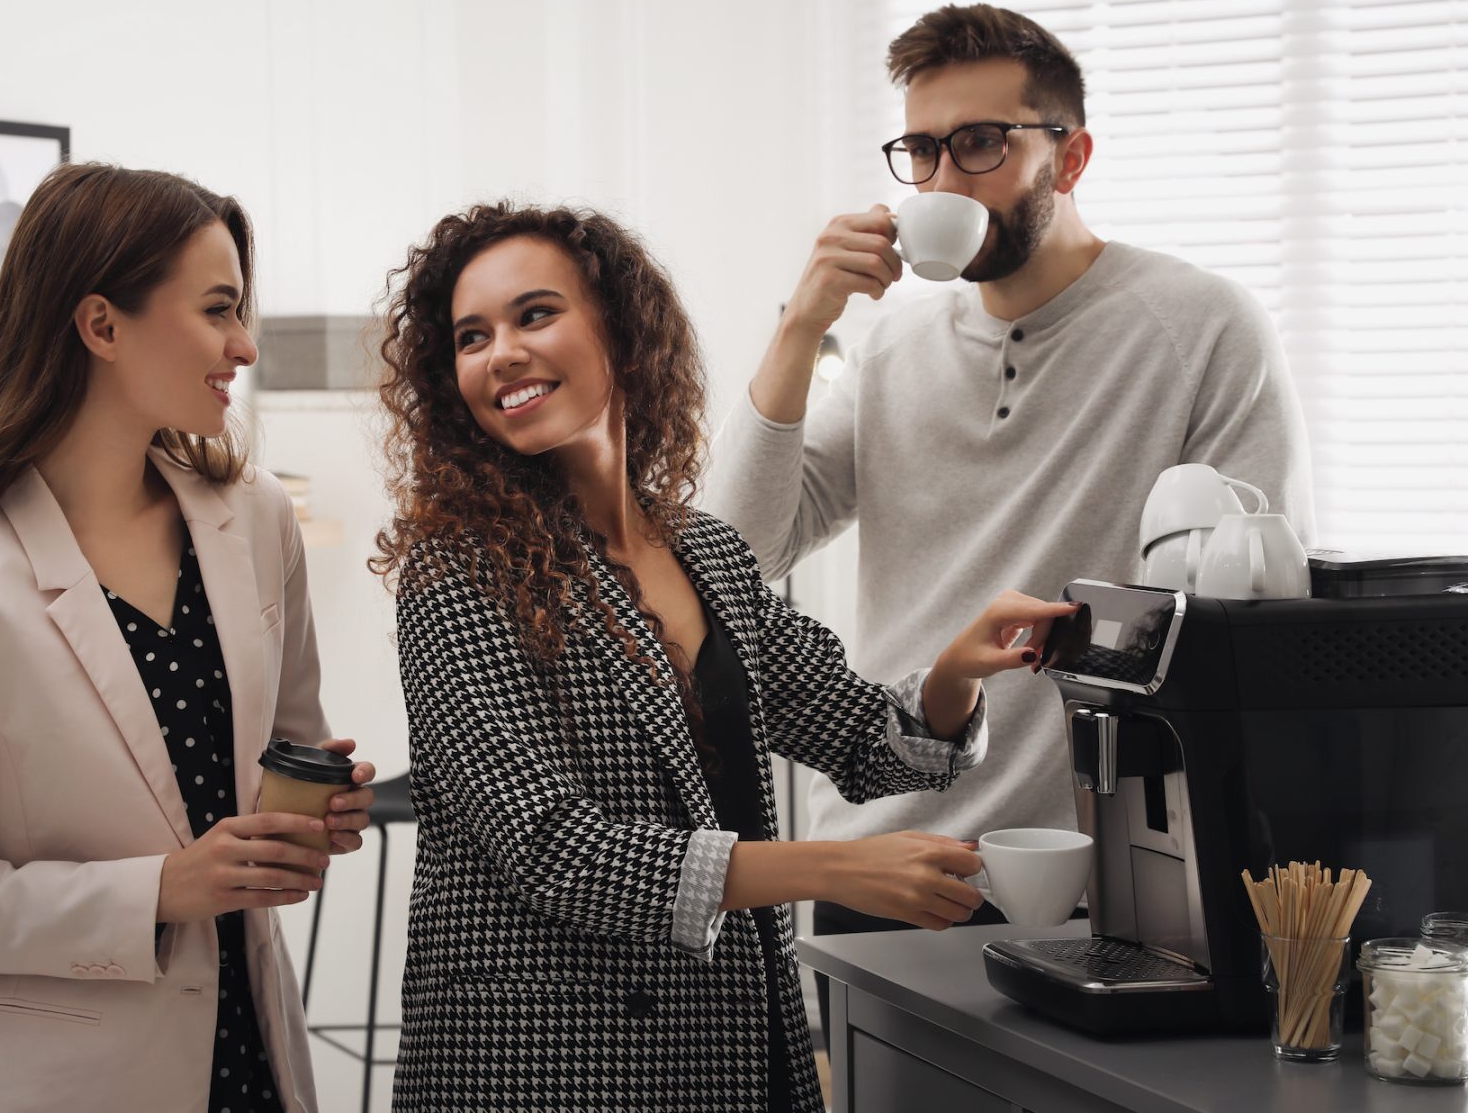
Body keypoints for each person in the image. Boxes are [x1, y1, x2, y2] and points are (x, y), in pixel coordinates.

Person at [371, 201, 1075, 1111]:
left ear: (623, 334)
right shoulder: (456, 573)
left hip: (735, 1032)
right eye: (472, 336)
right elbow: (551, 849)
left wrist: (955, 672)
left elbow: (865, 738)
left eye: (534, 314)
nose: (500, 350)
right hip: (549, 1065)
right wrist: (831, 868)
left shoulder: (705, 551)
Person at [703, 3, 1315, 1023]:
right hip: (884, 857)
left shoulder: (1202, 327)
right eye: (922, 150)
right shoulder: (889, 344)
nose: (943, 180)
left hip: (1094, 876)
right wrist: (801, 329)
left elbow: (1257, 609)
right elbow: (732, 553)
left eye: (980, 144)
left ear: (1069, 159)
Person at [0, 162, 376, 1113]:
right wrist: (161, 890)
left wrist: (309, 818)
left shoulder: (254, 519)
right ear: (101, 326)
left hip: (250, 1051)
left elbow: (278, 754)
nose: (245, 345)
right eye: (218, 310)